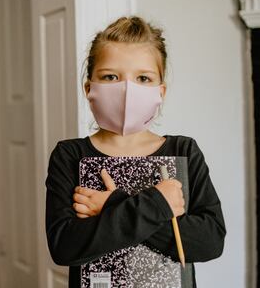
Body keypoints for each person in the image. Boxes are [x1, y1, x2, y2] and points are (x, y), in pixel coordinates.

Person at [44, 15, 226, 288]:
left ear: (160, 91)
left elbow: (209, 243)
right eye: (110, 76)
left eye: (143, 77)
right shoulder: (70, 155)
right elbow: (65, 247)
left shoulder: (184, 151)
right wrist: (158, 205)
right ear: (89, 88)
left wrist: (111, 205)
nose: (127, 90)